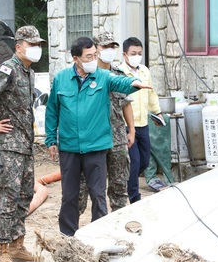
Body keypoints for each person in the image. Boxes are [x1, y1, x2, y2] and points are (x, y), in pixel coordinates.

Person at [45, 36, 153, 236]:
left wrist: (134, 82)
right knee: (70, 195)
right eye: (88, 56)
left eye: (95, 55)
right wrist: (51, 138)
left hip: (96, 146)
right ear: (76, 59)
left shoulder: (103, 76)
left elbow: (120, 82)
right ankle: (68, 236)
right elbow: (52, 110)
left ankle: (99, 234)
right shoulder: (61, 79)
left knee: (98, 193)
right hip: (69, 147)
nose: (93, 59)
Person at [0, 25, 46, 262]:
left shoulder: (28, 73)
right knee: (8, 199)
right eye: (32, 44)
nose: (36, 49)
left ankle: (17, 247)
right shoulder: (8, 70)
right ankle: (0, 252)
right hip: (8, 148)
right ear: (18, 47)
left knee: (24, 198)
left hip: (24, 147)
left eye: (38, 44)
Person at [77, 32, 135, 214]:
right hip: (92, 140)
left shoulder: (118, 75)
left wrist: (131, 129)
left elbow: (125, 104)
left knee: (119, 185)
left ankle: (119, 223)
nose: (109, 51)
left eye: (112, 47)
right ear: (96, 50)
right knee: (85, 187)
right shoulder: (85, 75)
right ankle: (75, 229)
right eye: (105, 47)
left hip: (117, 138)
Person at [116, 37, 162, 203]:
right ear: (125, 54)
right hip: (128, 126)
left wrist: (158, 112)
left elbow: (151, 94)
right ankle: (134, 197)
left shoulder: (144, 71)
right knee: (134, 162)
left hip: (143, 124)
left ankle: (125, 181)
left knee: (144, 161)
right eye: (133, 53)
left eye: (140, 53)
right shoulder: (119, 73)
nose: (137, 56)